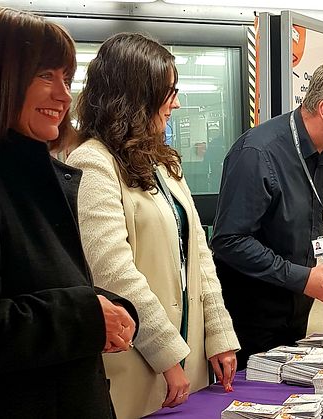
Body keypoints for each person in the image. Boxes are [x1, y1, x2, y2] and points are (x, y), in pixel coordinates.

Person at [0, 7, 138, 417]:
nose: (64, 96)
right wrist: (86, 316)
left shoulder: (29, 171)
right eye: (45, 76)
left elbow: (40, 284)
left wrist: (109, 307)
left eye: (66, 78)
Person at [66, 33, 240, 419]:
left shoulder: (161, 162)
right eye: (168, 92)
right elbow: (114, 273)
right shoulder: (92, 164)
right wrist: (166, 354)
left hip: (185, 352)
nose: (176, 102)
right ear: (134, 96)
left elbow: (198, 253)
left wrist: (219, 335)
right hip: (140, 362)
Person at [212, 59, 323, 365]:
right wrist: (301, 278)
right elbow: (230, 240)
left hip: (296, 316)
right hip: (250, 319)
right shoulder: (257, 153)